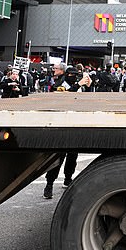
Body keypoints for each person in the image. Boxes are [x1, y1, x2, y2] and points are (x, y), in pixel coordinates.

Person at [42, 63, 92, 199]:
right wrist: (78, 84)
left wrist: (88, 85)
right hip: (61, 123)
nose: (73, 78)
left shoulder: (77, 84)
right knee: (58, 156)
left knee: (73, 154)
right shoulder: (60, 83)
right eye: (72, 75)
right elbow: (63, 96)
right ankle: (49, 183)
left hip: (76, 122)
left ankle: (68, 178)